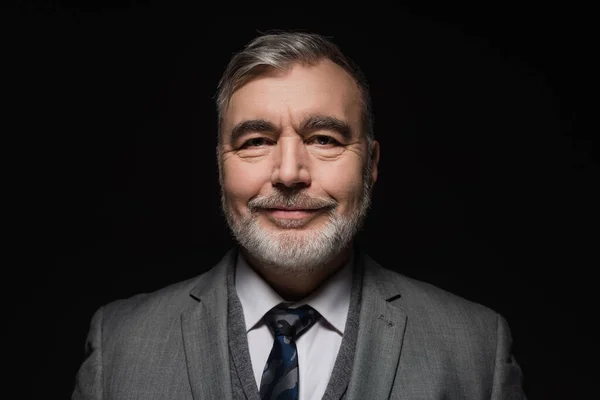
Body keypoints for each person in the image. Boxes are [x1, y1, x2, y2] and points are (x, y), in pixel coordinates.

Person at [72, 31, 526, 400]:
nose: (289, 173)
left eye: (324, 138)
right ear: (219, 165)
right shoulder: (121, 345)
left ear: (370, 164)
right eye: (255, 142)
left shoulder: (476, 349)